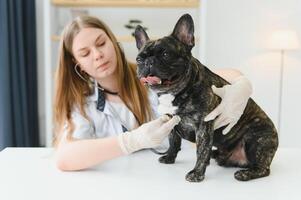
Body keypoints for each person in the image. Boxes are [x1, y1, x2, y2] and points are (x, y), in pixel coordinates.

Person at [54, 16, 252, 171]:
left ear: (114, 42)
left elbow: (227, 75)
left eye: (101, 43)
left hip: (174, 177)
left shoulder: (160, 78)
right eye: (85, 53)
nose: (97, 55)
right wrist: (131, 141)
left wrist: (242, 85)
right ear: (76, 63)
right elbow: (64, 158)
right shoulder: (82, 103)